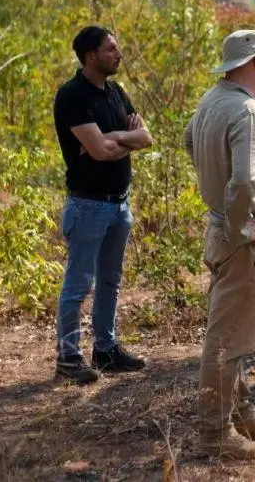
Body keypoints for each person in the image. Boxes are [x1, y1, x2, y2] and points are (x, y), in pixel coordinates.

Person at [183, 30, 255, 459]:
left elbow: (188, 140)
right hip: (245, 240)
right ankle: (215, 435)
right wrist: (240, 227)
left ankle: (243, 418)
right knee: (227, 338)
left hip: (226, 232)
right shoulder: (247, 111)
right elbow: (245, 179)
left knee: (234, 332)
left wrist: (223, 213)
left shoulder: (211, 100)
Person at [52, 26, 152, 385]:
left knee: (110, 281)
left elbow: (146, 137)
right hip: (88, 205)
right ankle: (68, 358)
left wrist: (114, 138)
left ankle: (106, 351)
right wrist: (121, 142)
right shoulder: (73, 96)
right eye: (111, 48)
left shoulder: (115, 91)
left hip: (120, 203)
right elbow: (98, 152)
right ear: (91, 55)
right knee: (78, 285)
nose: (119, 53)